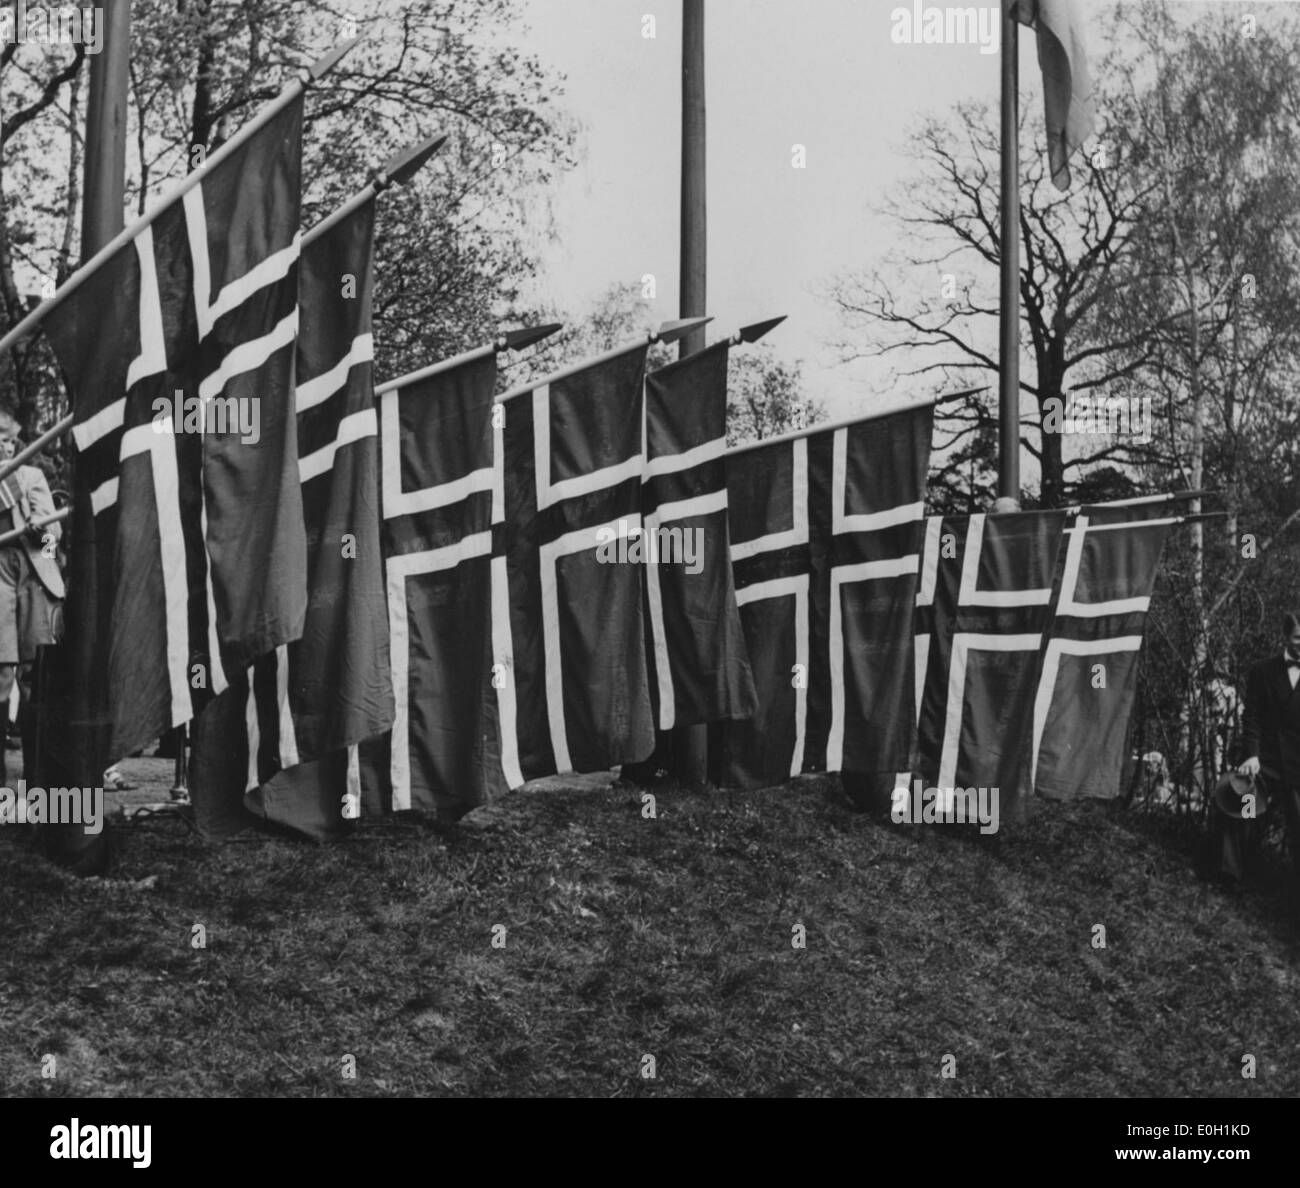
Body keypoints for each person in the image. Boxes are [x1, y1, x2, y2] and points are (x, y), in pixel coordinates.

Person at [0, 410, 64, 783]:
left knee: (34, 674)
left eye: (10, 441)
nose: (6, 447)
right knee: (1, 674)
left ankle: (41, 781)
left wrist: (43, 533)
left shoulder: (30, 476)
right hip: (0, 576)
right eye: (1, 441)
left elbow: (53, 542)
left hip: (33, 574)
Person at [1230, 611, 1300, 913]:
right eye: (1298, 638)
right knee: (1241, 800)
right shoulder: (1262, 671)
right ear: (1286, 636)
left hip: (1298, 769)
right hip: (1266, 762)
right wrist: (1252, 755)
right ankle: (1230, 875)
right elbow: (1253, 716)